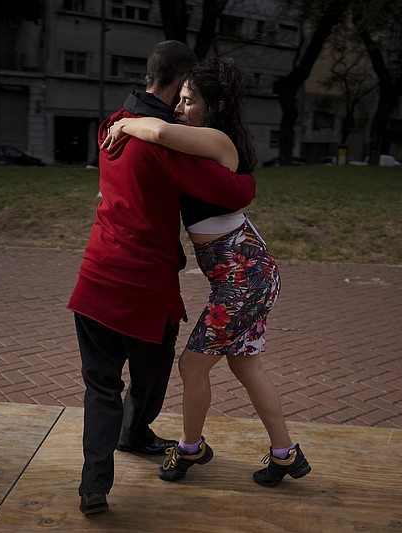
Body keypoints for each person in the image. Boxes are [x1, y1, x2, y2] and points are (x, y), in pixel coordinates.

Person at [68, 41, 257, 516]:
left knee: (100, 386)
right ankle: (133, 434)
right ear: (178, 84)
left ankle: (95, 485)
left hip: (93, 277)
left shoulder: (111, 123)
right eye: (185, 94)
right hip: (144, 286)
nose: (183, 104)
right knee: (150, 377)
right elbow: (235, 189)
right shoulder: (164, 141)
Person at [103, 58, 312, 488]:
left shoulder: (217, 139)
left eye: (188, 101)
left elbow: (158, 131)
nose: (179, 108)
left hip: (243, 277)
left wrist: (123, 126)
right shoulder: (200, 143)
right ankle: (285, 454)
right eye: (177, 98)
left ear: (213, 105)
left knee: (192, 367)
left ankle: (189, 449)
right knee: (246, 365)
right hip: (248, 272)